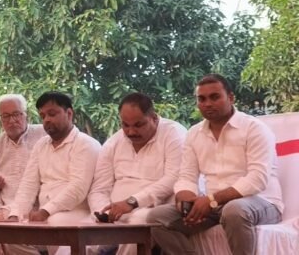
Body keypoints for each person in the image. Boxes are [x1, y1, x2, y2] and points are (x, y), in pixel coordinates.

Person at [147, 74, 283, 255]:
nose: (208, 104)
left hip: (261, 202)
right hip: (215, 207)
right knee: (157, 217)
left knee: (234, 210)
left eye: (215, 97)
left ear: (231, 98)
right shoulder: (194, 133)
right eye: (201, 99)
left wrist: (212, 200)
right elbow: (186, 176)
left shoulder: (254, 129)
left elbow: (257, 179)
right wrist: (185, 197)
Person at [0, 92, 101, 255]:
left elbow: (78, 188)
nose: (46, 120)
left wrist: (46, 211)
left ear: (69, 114)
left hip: (76, 213)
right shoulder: (41, 145)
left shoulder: (85, 144)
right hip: (45, 215)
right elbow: (28, 184)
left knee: (55, 221)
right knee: (10, 236)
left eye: (52, 114)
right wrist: (16, 214)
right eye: (43, 116)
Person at [87, 92, 186, 255]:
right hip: (115, 215)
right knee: (76, 239)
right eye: (125, 125)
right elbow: (99, 188)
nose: (131, 132)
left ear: (154, 118)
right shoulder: (114, 142)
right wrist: (103, 212)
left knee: (138, 221)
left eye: (138, 125)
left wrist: (132, 202)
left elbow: (174, 178)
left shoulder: (174, 134)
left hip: (153, 210)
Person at [0, 94, 47, 206]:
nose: (12, 120)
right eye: (5, 116)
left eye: (16, 114)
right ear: (0, 119)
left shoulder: (43, 134)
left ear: (26, 115)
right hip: (7, 205)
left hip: (40, 205)